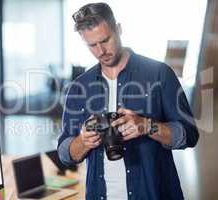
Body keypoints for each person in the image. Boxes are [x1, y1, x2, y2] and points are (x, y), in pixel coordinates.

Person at [57, 2, 199, 200]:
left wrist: (148, 126)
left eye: (105, 40)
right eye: (92, 45)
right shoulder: (79, 87)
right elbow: (65, 154)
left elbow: (189, 135)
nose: (100, 51)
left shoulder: (159, 74)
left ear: (119, 29)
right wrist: (83, 141)